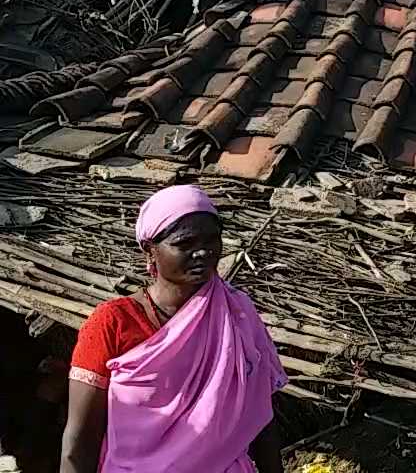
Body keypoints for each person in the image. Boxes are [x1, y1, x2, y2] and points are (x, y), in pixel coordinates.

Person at [61, 185, 286, 473]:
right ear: (150, 250)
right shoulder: (114, 322)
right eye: (185, 243)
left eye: (212, 240)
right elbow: (80, 439)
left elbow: (261, 417)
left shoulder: (237, 313)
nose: (203, 252)